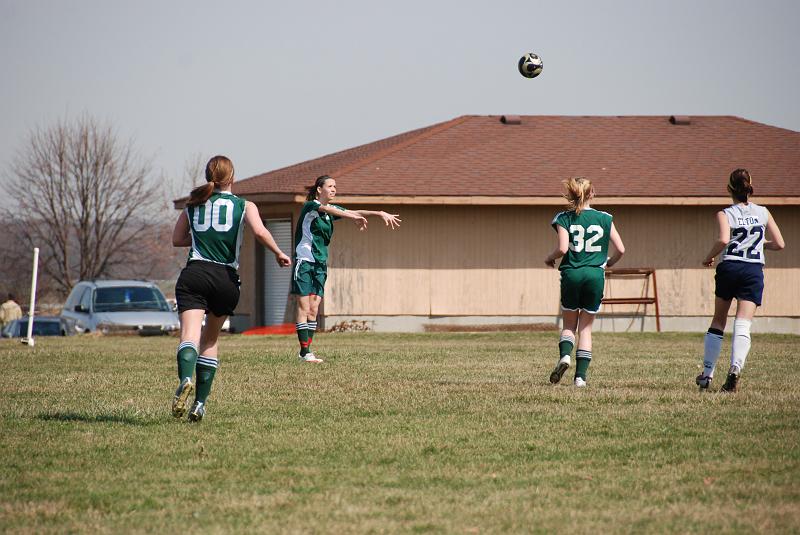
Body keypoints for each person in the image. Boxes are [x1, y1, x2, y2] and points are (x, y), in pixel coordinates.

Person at [171, 155, 291, 422]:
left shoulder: (192, 205)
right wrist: (279, 253)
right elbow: (260, 233)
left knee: (189, 335)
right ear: (233, 178)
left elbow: (177, 239)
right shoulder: (244, 205)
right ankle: (200, 404)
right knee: (210, 340)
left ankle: (186, 378)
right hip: (225, 278)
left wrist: (204, 236)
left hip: (195, 274)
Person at [292, 174, 401, 363]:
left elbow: (352, 210)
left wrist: (379, 213)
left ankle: (306, 352)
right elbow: (333, 210)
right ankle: (305, 352)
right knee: (304, 306)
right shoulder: (311, 206)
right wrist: (353, 217)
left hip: (320, 263)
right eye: (330, 186)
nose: (334, 189)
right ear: (319, 189)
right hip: (304, 261)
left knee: (314, 308)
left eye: (335, 186)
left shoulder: (330, 211)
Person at [695, 169, 785, 392]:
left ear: (729, 189)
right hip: (753, 270)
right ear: (750, 188)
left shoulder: (725, 213)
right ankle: (735, 369)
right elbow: (780, 244)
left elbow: (724, 239)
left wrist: (709, 257)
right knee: (743, 322)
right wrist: (759, 244)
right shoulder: (764, 212)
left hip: (730, 267)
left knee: (719, 320)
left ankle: (707, 375)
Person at [544, 177, 625, 387]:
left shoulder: (563, 217)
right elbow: (621, 249)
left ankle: (564, 357)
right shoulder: (605, 218)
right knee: (586, 329)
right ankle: (580, 378)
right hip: (595, 275)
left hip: (572, 274)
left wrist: (549, 258)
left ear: (571, 194)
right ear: (592, 193)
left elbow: (562, 249)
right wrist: (608, 263)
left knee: (569, 325)